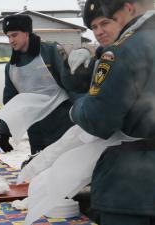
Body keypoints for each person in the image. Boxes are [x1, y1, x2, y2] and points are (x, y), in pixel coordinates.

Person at [70, 0, 155, 224]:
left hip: (133, 186)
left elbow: (98, 119)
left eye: (108, 21)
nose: (100, 32)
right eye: (94, 27)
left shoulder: (123, 50)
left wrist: (76, 107)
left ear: (129, 8)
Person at [0, 14, 73, 154]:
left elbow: (71, 84)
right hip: (36, 129)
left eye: (14, 35)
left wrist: (82, 115)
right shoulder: (11, 67)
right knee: (39, 169)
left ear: (26, 33)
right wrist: (5, 132)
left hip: (62, 124)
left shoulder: (51, 51)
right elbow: (11, 101)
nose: (11, 40)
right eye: (8, 36)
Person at [63, 0, 122, 94]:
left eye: (104, 23)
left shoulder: (135, 53)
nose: (99, 32)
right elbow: (75, 88)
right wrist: (71, 66)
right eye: (94, 27)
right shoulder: (98, 59)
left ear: (120, 21)